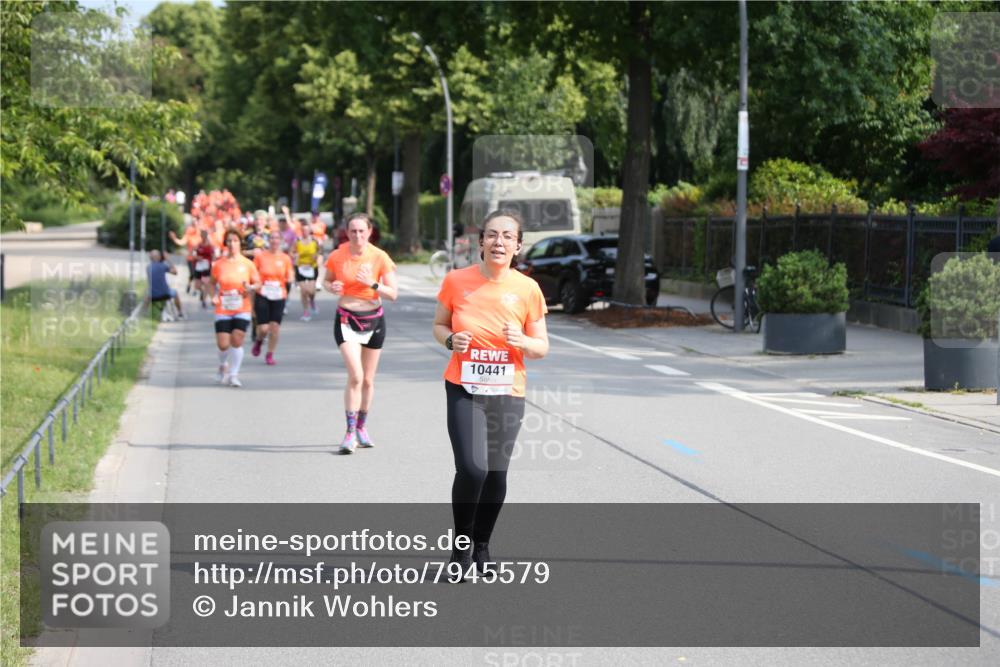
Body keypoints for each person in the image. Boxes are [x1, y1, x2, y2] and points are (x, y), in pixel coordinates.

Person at [431, 209, 549, 578]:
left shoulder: (527, 288)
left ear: (518, 246)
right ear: (480, 241)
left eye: (507, 237)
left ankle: (482, 544)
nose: (499, 242)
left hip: (507, 390)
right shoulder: (455, 280)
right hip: (463, 387)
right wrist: (451, 339)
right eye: (492, 235)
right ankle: (461, 550)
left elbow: (542, 346)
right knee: (471, 467)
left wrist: (524, 341)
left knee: (496, 474)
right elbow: (438, 324)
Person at [322, 212, 399, 454]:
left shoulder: (379, 257)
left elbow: (393, 294)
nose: (357, 235)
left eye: (361, 231)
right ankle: (349, 432)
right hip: (346, 318)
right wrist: (331, 287)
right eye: (353, 231)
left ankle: (362, 427)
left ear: (369, 232)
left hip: (374, 320)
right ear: (347, 232)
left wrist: (372, 284)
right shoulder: (337, 255)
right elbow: (326, 281)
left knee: (367, 379)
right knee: (355, 375)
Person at [210, 229, 261, 387]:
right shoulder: (219, 264)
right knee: (223, 344)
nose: (232, 244)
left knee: (237, 340)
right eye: (229, 241)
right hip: (223, 308)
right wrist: (213, 295)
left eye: (235, 241)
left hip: (242, 306)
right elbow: (212, 283)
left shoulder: (247, 264)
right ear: (226, 244)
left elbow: (258, 283)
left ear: (240, 243)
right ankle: (222, 365)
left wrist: (251, 288)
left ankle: (233, 374)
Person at [252, 231, 295, 365]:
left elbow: (290, 274)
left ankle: (270, 354)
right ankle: (259, 340)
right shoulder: (260, 257)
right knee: (264, 328)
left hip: (278, 294)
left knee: (275, 327)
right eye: (272, 238)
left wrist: (290, 279)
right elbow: (253, 274)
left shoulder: (285, 258)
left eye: (277, 238)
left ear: (281, 241)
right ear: (268, 241)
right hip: (263, 293)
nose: (274, 241)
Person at [294, 220, 323, 321]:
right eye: (303, 230)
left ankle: (312, 301)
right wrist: (295, 256)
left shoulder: (314, 241)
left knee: (311, 291)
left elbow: (320, 250)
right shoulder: (297, 241)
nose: (305, 232)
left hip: (311, 267)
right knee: (303, 291)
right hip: (300, 267)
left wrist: (317, 256)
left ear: (309, 231)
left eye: (307, 230)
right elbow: (291, 252)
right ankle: (306, 312)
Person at [145, 249, 184, 320]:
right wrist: (168, 259)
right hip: (165, 294)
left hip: (152, 295)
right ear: (159, 257)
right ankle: (180, 312)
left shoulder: (148, 267)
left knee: (147, 295)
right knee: (175, 293)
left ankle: (145, 314)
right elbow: (175, 272)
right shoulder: (163, 266)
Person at [169, 223, 202, 294]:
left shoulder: (199, 236)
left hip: (198, 259)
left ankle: (195, 288)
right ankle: (190, 286)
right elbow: (181, 242)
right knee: (192, 274)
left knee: (197, 274)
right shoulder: (188, 236)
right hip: (190, 258)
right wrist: (174, 238)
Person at [192, 230, 216, 309]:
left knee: (206, 284)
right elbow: (193, 253)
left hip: (206, 266)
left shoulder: (210, 245)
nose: (203, 237)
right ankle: (202, 292)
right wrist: (197, 257)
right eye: (202, 235)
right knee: (197, 285)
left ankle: (204, 301)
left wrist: (212, 264)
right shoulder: (199, 245)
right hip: (199, 266)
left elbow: (213, 256)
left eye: (204, 235)